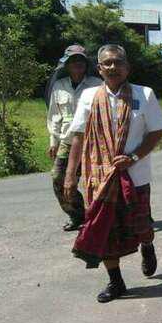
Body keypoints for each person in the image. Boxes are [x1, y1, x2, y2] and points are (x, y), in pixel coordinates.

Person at [63, 44, 162, 303]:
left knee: (142, 226)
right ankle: (116, 281)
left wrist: (133, 157)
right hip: (99, 177)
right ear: (99, 69)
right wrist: (70, 175)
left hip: (136, 176)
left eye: (118, 62)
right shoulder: (88, 96)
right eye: (107, 63)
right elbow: (78, 137)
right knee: (105, 228)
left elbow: (156, 132)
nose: (113, 67)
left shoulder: (144, 94)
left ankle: (147, 245)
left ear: (127, 67)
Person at [46, 45, 101, 231]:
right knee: (59, 178)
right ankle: (77, 214)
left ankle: (106, 216)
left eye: (81, 61)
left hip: (94, 141)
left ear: (86, 64)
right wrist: (53, 141)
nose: (77, 64)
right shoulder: (59, 86)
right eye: (73, 61)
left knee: (99, 180)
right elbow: (54, 116)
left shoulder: (97, 84)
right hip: (68, 140)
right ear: (66, 65)